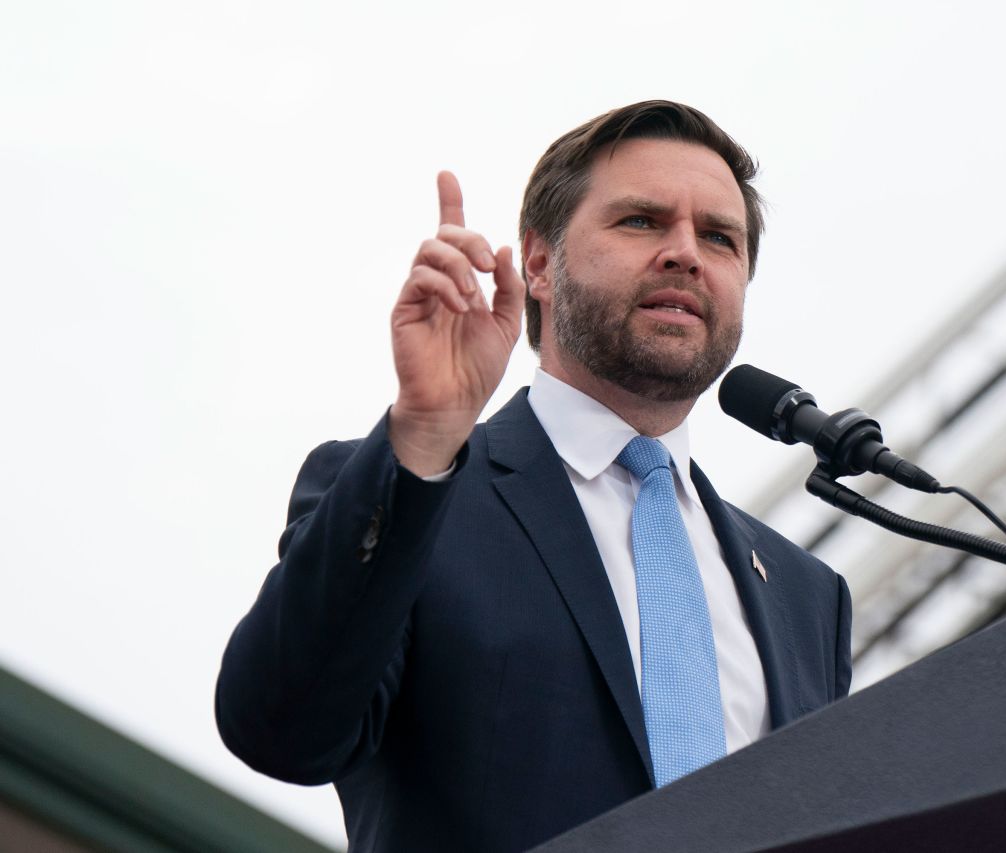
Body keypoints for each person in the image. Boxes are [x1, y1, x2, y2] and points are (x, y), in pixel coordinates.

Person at [216, 100, 852, 853]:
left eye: (720, 237)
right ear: (541, 265)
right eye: (642, 221)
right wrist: (423, 434)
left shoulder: (808, 597)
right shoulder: (417, 493)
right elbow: (281, 730)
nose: (686, 253)